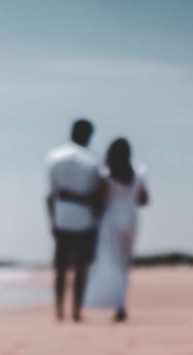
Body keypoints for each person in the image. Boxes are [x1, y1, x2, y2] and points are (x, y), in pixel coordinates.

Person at [83, 138, 149, 322]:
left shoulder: (105, 173)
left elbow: (99, 200)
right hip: (131, 216)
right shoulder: (138, 172)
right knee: (124, 263)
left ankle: (116, 302)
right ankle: (120, 304)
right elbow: (144, 200)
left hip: (111, 217)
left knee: (113, 262)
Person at [45, 119, 103, 322]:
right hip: (85, 219)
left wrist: (52, 221)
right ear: (87, 135)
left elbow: (49, 195)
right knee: (80, 267)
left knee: (61, 268)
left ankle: (59, 309)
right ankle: (76, 309)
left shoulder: (55, 157)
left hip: (61, 217)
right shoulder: (92, 160)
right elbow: (98, 196)